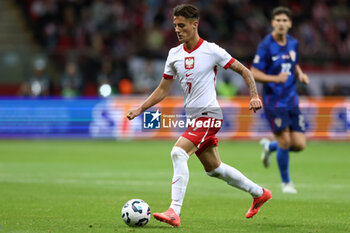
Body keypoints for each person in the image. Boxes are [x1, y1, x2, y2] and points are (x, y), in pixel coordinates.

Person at [126, 4, 271, 227]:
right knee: (215, 169)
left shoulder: (212, 51)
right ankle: (259, 193)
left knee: (178, 152)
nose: (177, 30)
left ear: (195, 24)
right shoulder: (174, 54)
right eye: (175, 26)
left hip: (210, 115)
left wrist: (254, 95)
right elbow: (163, 88)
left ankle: (174, 210)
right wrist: (141, 108)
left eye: (182, 25)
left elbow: (244, 70)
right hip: (194, 118)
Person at [251, 6, 309, 194]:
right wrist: (275, 78)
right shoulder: (266, 45)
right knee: (285, 140)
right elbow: (254, 72)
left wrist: (300, 73)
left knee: (299, 145)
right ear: (272, 23)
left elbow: (294, 62)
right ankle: (286, 183)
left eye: (285, 20)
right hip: (274, 101)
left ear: (290, 24)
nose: (281, 23)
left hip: (292, 100)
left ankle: (270, 147)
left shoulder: (293, 43)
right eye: (278, 20)